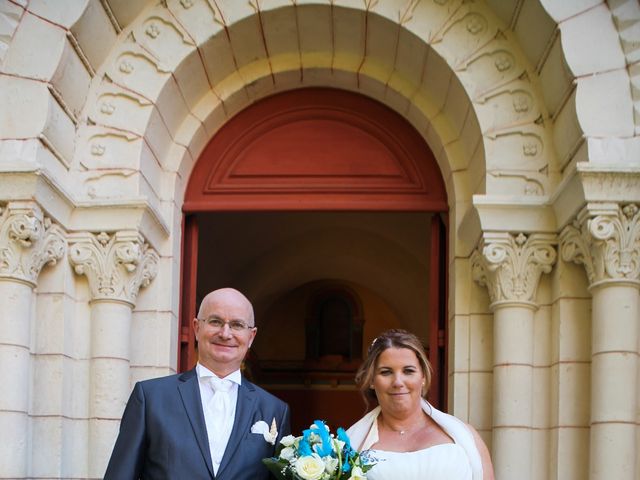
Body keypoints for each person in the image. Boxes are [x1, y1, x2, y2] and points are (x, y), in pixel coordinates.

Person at [104, 288, 291, 479]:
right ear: (196, 327)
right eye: (215, 321)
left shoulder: (275, 410)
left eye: (237, 325)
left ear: (251, 336)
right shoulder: (150, 397)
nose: (225, 333)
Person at [347, 329, 494, 480]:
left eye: (408, 371)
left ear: (423, 376)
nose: (398, 382)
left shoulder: (465, 437)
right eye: (386, 372)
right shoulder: (351, 444)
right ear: (372, 380)